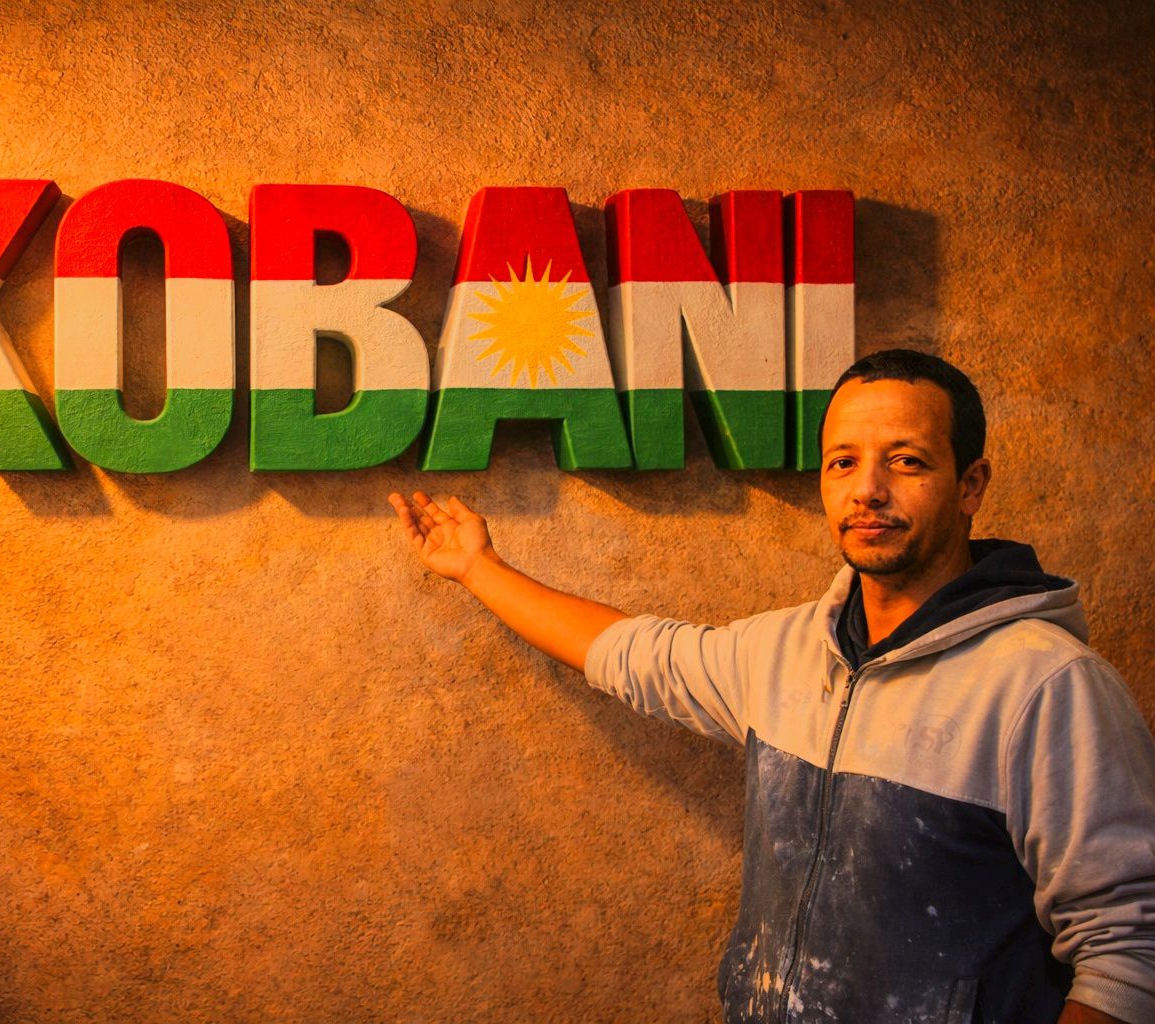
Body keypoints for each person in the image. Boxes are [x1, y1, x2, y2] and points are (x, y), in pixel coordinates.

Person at [388, 349, 1155, 1024]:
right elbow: (630, 655)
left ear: (970, 484)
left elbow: (1131, 951)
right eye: (843, 462)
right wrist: (479, 568)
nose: (868, 490)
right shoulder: (786, 651)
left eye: (907, 462)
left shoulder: (1047, 686)